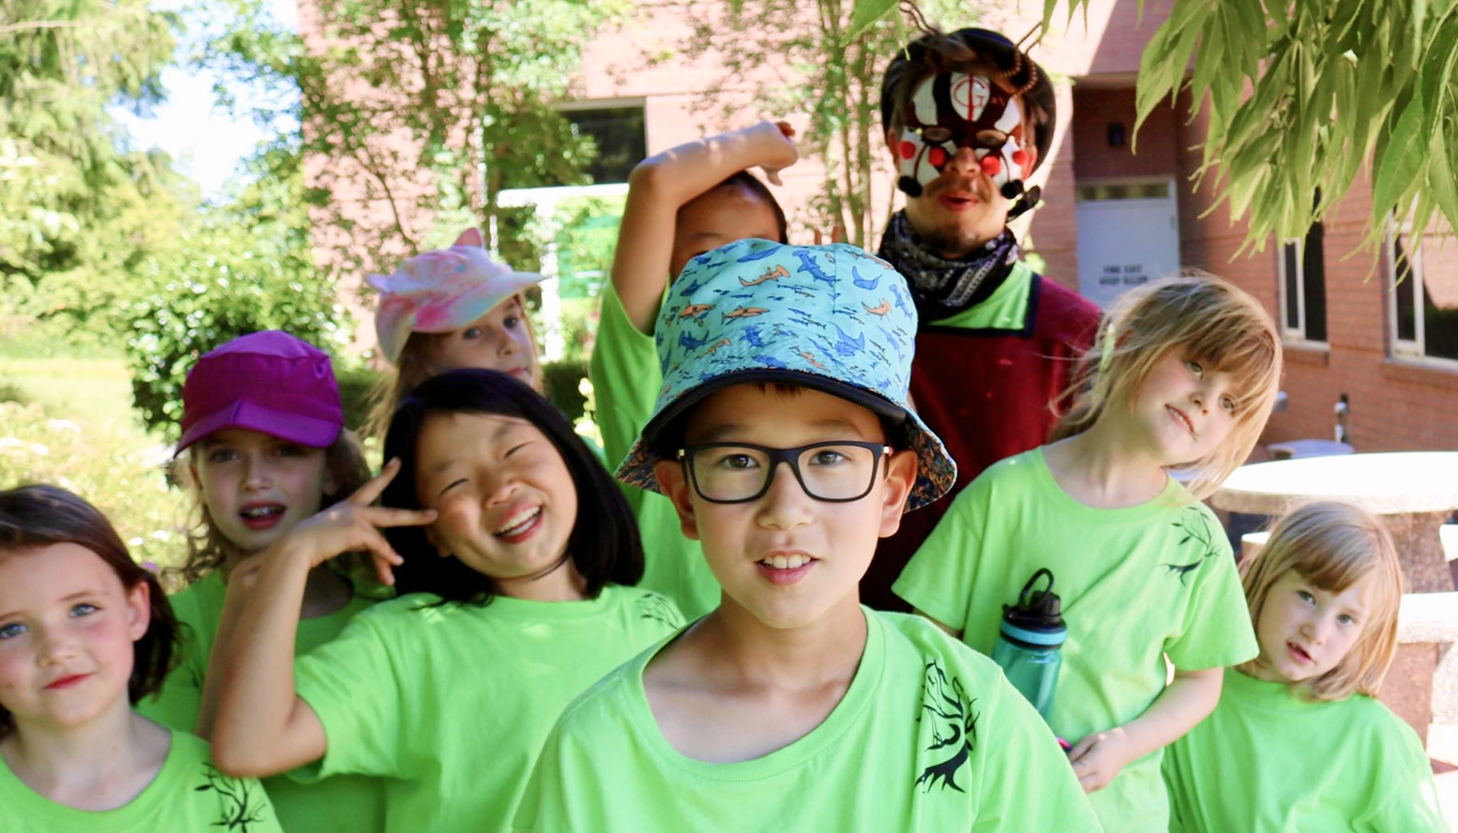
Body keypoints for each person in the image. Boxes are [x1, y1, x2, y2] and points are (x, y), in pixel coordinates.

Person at [514, 239, 1100, 831]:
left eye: (829, 457)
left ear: (892, 492)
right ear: (685, 498)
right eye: (739, 460)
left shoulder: (970, 711)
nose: (785, 509)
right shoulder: (596, 751)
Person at [204, 368, 684, 833]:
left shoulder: (656, 621)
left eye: (514, 450)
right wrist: (294, 552)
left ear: (568, 454)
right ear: (432, 532)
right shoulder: (403, 643)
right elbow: (248, 747)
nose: (500, 489)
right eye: (456, 483)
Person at [894, 274, 1284, 832]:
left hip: (1119, 817)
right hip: (990, 808)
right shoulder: (1003, 494)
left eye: (1229, 401)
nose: (1204, 399)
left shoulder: (1196, 540)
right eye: (1197, 365)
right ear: (1131, 338)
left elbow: (1202, 681)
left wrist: (1124, 745)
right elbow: (927, 644)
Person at [865, 26, 1102, 610]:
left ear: (1027, 159)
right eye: (939, 137)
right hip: (854, 661)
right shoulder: (837, 314)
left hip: (1009, 668)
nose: (966, 164)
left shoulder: (1078, 338)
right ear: (897, 142)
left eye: (993, 141)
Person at [141, 329, 385, 833]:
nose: (255, 478)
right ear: (198, 478)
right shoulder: (173, 629)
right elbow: (189, 795)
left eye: (285, 451)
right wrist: (238, 616)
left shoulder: (387, 611)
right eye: (225, 455)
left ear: (331, 472)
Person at [592, 121, 795, 618]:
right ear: (663, 270)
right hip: (662, 663)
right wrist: (764, 143)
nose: (741, 271)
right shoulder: (649, 356)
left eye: (761, 251)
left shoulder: (803, 369)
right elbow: (655, 183)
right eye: (707, 255)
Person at [0, 484, 283, 832]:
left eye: (83, 609)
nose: (57, 650)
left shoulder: (219, 791)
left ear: (135, 610)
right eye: (10, 630)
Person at [1162, 501, 1447, 832]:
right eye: (1307, 596)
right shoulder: (1191, 702)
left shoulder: (1372, 735)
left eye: (1345, 618)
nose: (1318, 631)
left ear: (1365, 634)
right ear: (1267, 579)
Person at [365, 227, 546, 439]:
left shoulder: (553, 439)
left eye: (511, 321)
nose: (510, 343)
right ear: (419, 367)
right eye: (473, 333)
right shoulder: (442, 466)